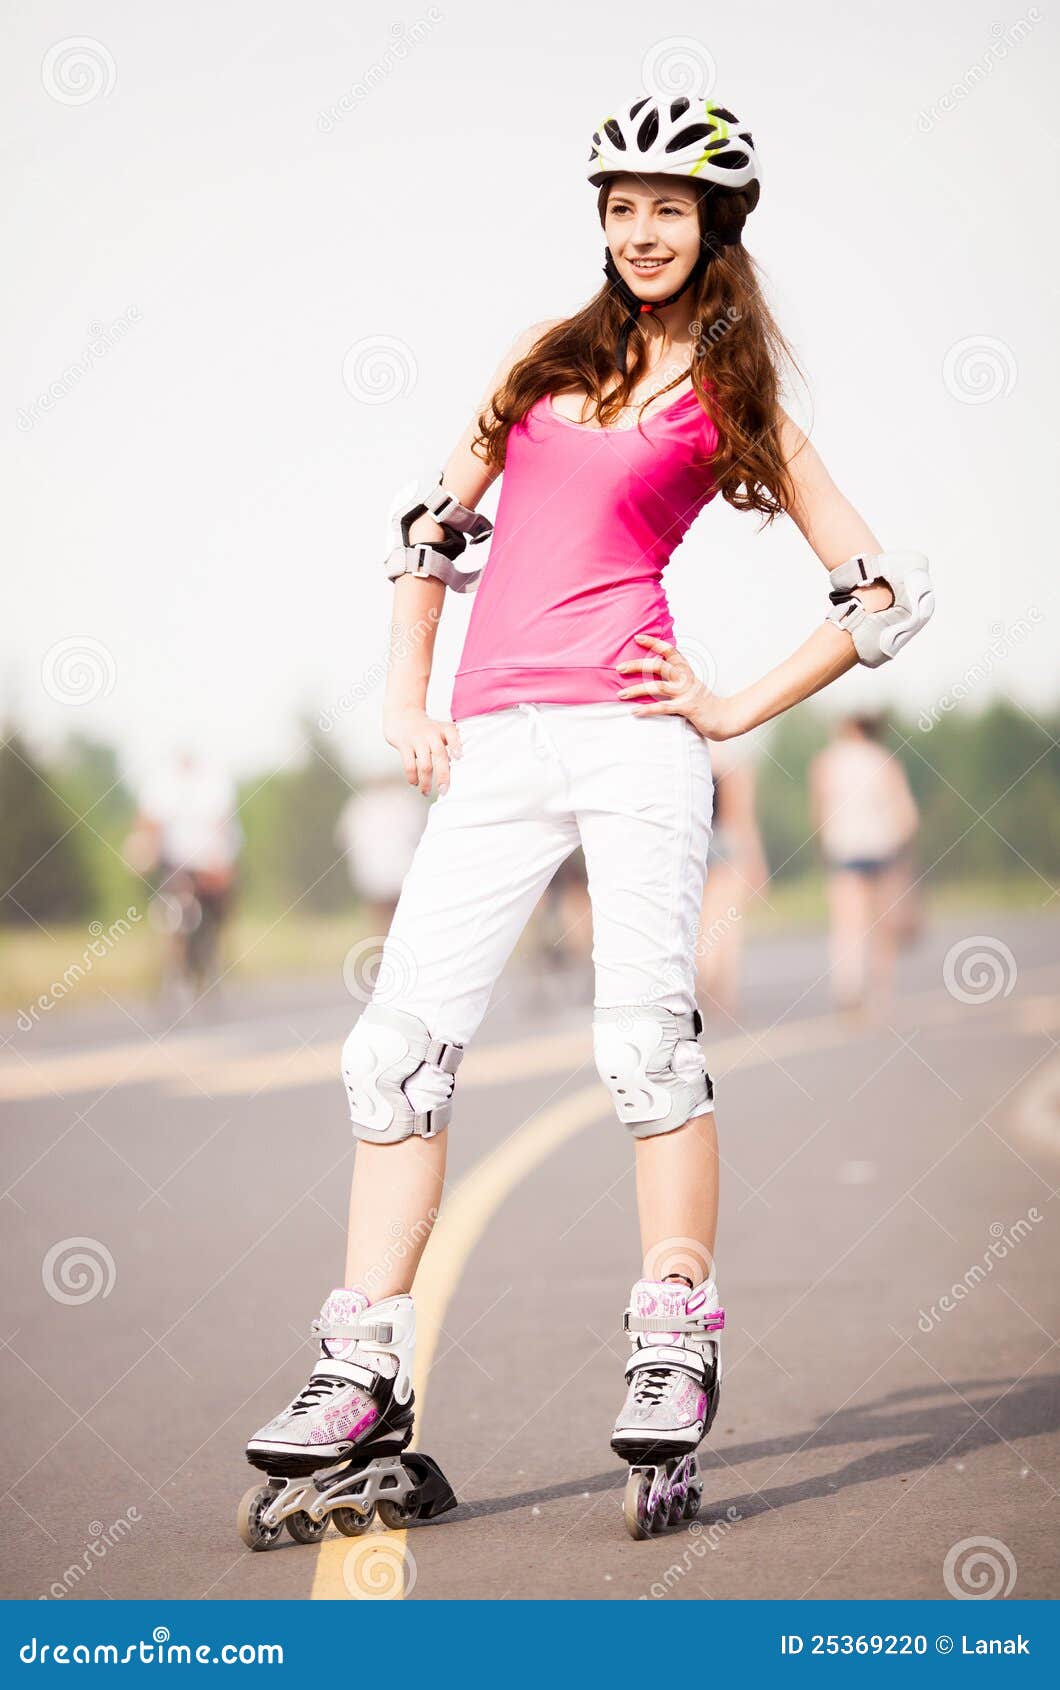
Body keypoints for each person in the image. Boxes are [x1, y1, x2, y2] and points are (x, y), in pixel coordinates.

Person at [239, 94, 935, 1545]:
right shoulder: (540, 367)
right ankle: (359, 1367)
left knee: (641, 1044)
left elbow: (884, 592)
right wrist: (406, 694)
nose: (642, 229)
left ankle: (675, 1333)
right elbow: (428, 525)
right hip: (494, 745)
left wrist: (738, 706)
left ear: (717, 227)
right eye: (622, 204)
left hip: (636, 740)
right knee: (395, 1058)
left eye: (671, 207)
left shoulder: (738, 403)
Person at [810, 715, 921, 1015]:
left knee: (848, 924)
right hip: (882, 848)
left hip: (844, 850)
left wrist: (824, 846)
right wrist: (904, 854)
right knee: (883, 928)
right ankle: (881, 995)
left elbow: (819, 811)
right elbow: (907, 815)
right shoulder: (883, 761)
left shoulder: (827, 762)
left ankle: (848, 986)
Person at [130, 750, 242, 1001]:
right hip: (176, 864)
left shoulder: (213, 788)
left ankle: (211, 967)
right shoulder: (163, 788)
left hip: (210, 863)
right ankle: (176, 974)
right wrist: (141, 852)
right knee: (175, 916)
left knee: (216, 917)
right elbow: (148, 824)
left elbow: (223, 826)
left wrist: (221, 863)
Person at [695, 736, 769, 1021]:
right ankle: (722, 992)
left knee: (702, 920)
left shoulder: (691, 753)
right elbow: (741, 817)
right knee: (727, 922)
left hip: (697, 842)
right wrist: (756, 863)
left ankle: (703, 974)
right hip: (726, 843)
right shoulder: (733, 761)